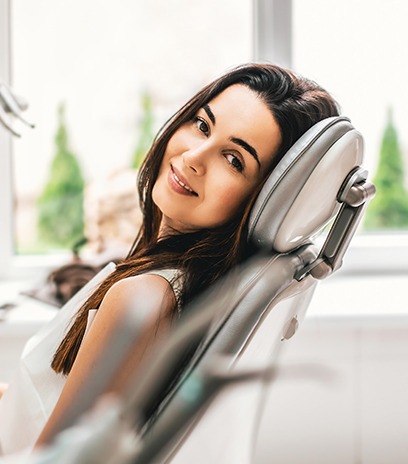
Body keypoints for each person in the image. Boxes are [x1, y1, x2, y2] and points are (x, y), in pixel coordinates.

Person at [0, 63, 339, 457]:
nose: (194, 156)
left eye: (234, 160)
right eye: (201, 124)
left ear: (263, 198)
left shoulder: (143, 299)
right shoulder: (174, 282)